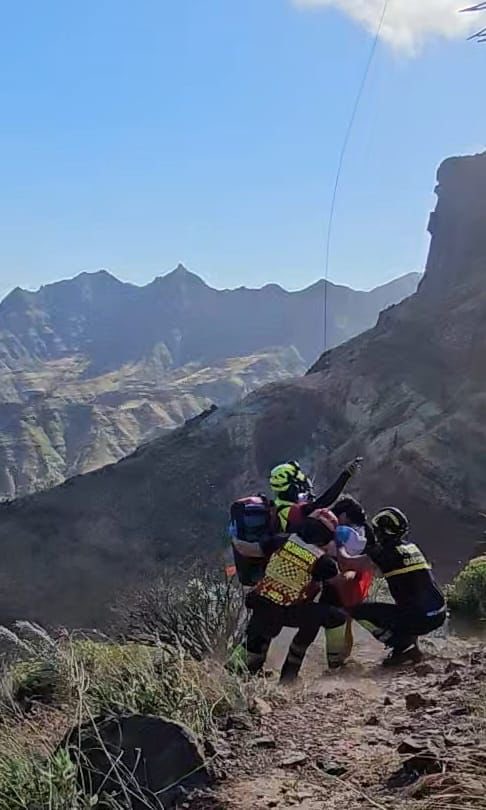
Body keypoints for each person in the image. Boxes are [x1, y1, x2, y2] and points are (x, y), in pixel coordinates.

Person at [234, 509, 349, 681]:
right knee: (335, 617)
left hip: (261, 605)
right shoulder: (323, 562)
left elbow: (249, 550)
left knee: (251, 648)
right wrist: (350, 571)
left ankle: (227, 676)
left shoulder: (281, 540)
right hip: (290, 611)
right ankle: (335, 665)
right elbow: (339, 583)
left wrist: (234, 537)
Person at [341, 507, 447, 666]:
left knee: (357, 611)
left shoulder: (385, 553)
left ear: (382, 532)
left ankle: (401, 644)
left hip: (421, 618)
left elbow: (348, 562)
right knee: (408, 602)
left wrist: (339, 544)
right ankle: (408, 642)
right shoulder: (411, 547)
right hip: (439, 613)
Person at [269, 458, 363, 535]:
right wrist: (345, 475)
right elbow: (325, 501)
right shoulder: (291, 511)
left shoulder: (278, 504)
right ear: (292, 488)